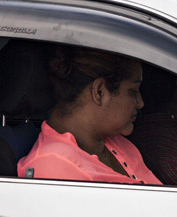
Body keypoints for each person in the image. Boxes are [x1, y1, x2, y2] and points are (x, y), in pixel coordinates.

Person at [17, 46, 161, 184]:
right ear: (100, 92)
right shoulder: (53, 168)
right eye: (133, 91)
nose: (141, 103)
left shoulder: (116, 142)